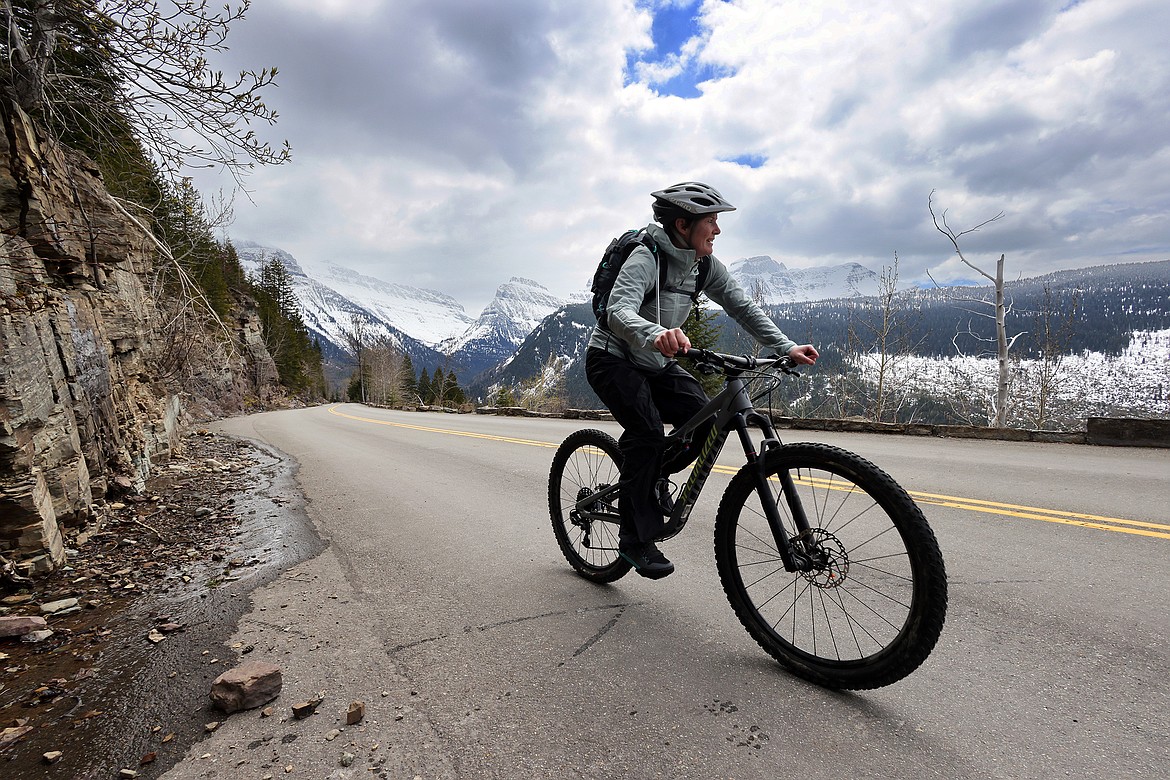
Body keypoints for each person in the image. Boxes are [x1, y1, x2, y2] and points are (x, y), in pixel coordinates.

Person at [585, 181, 819, 579]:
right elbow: (617, 311)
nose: (717, 229)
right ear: (682, 224)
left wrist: (786, 347)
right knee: (646, 432)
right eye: (711, 221)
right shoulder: (646, 258)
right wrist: (655, 333)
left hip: (657, 362)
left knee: (707, 420)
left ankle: (649, 475)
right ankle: (635, 537)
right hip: (613, 357)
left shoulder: (704, 265)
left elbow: (741, 307)